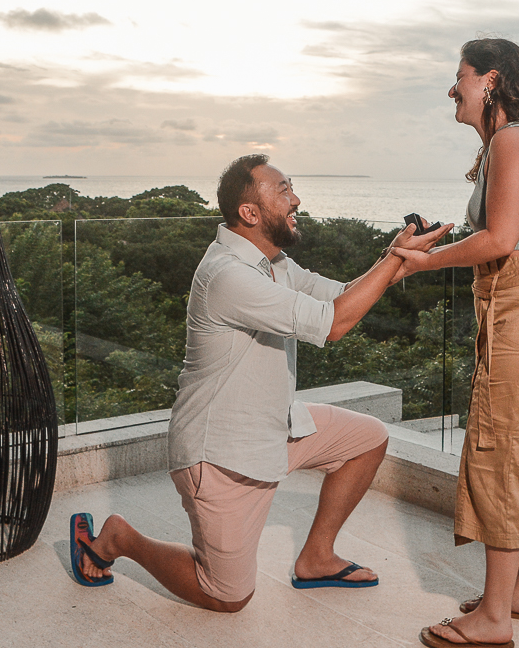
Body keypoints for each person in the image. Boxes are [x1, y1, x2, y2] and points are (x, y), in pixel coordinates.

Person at [69, 154, 451, 612]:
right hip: (222, 453)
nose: (297, 200)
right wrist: (393, 261)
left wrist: (397, 260)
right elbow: (333, 324)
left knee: (368, 438)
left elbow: (340, 293)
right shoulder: (227, 275)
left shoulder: (275, 263)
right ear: (249, 213)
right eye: (284, 191)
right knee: (227, 596)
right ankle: (119, 538)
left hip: (274, 428)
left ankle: (317, 558)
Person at [391, 39, 519, 648]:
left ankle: (494, 619)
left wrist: (419, 264)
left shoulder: (512, 140)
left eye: (461, 77)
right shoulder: (513, 143)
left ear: (491, 80)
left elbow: (499, 240)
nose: (454, 89)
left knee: (506, 456)